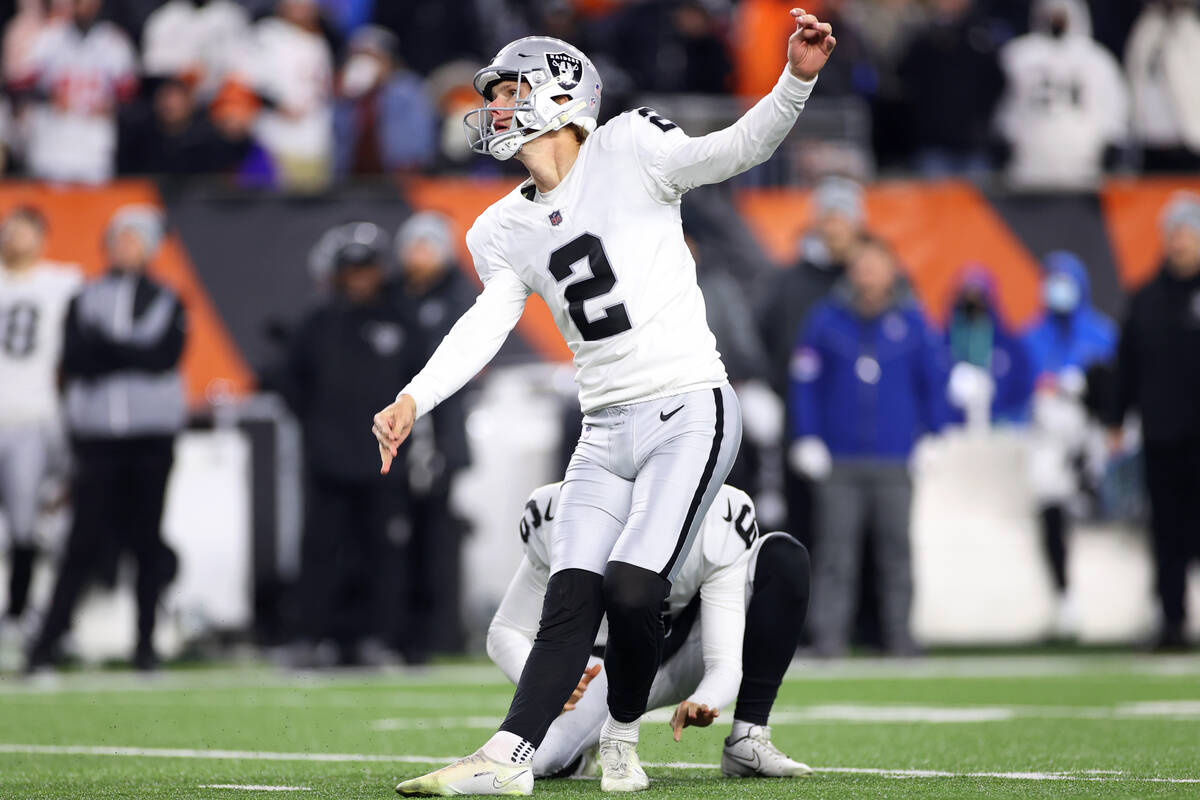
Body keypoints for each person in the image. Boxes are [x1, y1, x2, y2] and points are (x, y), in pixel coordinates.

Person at [375, 11, 836, 796]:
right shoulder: (500, 227)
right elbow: (487, 321)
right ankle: (507, 760)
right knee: (572, 591)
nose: (493, 107)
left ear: (558, 93)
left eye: (509, 89)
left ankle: (621, 736)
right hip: (604, 423)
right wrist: (414, 396)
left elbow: (731, 150)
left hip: (688, 404)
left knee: (633, 585)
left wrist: (795, 79)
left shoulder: (628, 147)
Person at [488, 482, 811, 780]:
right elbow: (506, 629)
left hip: (682, 651)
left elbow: (723, 661)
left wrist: (706, 698)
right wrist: (550, 683)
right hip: (603, 668)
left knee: (781, 557)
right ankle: (581, 753)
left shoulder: (717, 514)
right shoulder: (557, 509)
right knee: (540, 761)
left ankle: (748, 734)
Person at [27, 205, 186, 671]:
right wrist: (125, 351)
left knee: (146, 542)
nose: (125, 247)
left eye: (135, 239)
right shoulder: (86, 297)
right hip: (98, 441)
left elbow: (162, 357)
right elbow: (78, 357)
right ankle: (46, 646)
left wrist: (109, 347)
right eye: (119, 238)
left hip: (150, 439)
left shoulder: (166, 297)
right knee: (83, 542)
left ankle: (145, 646)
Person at [789, 235, 948, 657]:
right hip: (839, 458)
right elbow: (805, 382)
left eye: (875, 265)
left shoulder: (913, 322)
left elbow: (933, 382)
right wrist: (806, 436)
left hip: (895, 456)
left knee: (897, 553)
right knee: (835, 555)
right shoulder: (825, 320)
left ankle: (900, 637)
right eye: (861, 265)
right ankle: (829, 638)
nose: (868, 273)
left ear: (892, 269)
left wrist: (934, 433)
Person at [281, 222, 423, 666]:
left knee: (385, 555)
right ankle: (313, 638)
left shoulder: (403, 323)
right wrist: (320, 429)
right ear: (338, 273)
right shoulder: (317, 322)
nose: (360, 278)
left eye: (367, 269)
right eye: (352, 270)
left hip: (386, 462)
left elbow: (424, 386)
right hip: (328, 462)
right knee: (321, 552)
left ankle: (381, 639)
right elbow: (291, 383)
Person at [1105, 192, 1200, 651]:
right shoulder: (1145, 299)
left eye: (1189, 232)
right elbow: (1127, 365)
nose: (1181, 241)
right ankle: (1172, 621)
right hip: (1163, 435)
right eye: (1175, 233)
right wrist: (1115, 419)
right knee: (1167, 535)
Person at [756, 175, 865, 543]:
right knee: (803, 528)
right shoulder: (789, 282)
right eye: (829, 216)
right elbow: (767, 338)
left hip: (860, 426)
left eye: (843, 217)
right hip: (800, 421)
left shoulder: (874, 278)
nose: (835, 226)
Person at [392, 212, 476, 660]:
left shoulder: (458, 296)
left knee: (438, 536)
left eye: (427, 246)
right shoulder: (395, 297)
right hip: (400, 434)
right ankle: (401, 630)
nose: (419, 256)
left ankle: (440, 630)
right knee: (397, 535)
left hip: (439, 435)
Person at [0, 207, 81, 654]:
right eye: (9, 231)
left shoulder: (60, 282)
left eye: (23, 232)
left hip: (32, 417)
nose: (13, 239)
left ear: (43, 239)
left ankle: (18, 614)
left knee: (26, 525)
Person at [1023, 252, 1116, 638]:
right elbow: (1017, 391)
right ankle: (1065, 599)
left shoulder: (1101, 333)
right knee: (1050, 508)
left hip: (1090, 437)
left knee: (1103, 512)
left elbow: (1115, 390)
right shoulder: (1030, 335)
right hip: (1046, 437)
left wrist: (1089, 392)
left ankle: (1108, 603)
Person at [994, 0, 1128, 190]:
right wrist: (1004, 138)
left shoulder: (1096, 58)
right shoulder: (1018, 55)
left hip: (1084, 160)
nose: (1056, 21)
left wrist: (1112, 142)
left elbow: (1114, 104)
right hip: (1029, 160)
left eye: (1061, 15)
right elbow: (1005, 105)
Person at [10, 0, 138, 184]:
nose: (85, 7)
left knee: (95, 196)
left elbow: (130, 95)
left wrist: (112, 105)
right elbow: (19, 86)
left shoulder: (113, 41)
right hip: (56, 134)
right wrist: (50, 97)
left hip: (95, 136)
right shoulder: (51, 37)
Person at [333, 25, 437, 176]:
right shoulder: (346, 93)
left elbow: (420, 143)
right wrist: (344, 94)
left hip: (396, 178)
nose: (365, 63)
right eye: (359, 56)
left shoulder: (407, 89)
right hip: (352, 177)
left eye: (372, 56)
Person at [944, 264, 1036, 427]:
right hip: (953, 432)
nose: (973, 303)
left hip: (998, 430)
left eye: (979, 297)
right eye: (967, 297)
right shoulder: (942, 343)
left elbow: (1023, 390)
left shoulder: (1009, 345)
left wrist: (1007, 420)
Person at [1124, 0, 1200, 173]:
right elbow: (1133, 78)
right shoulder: (1145, 29)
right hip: (1149, 142)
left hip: (1188, 143)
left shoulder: (1193, 32)